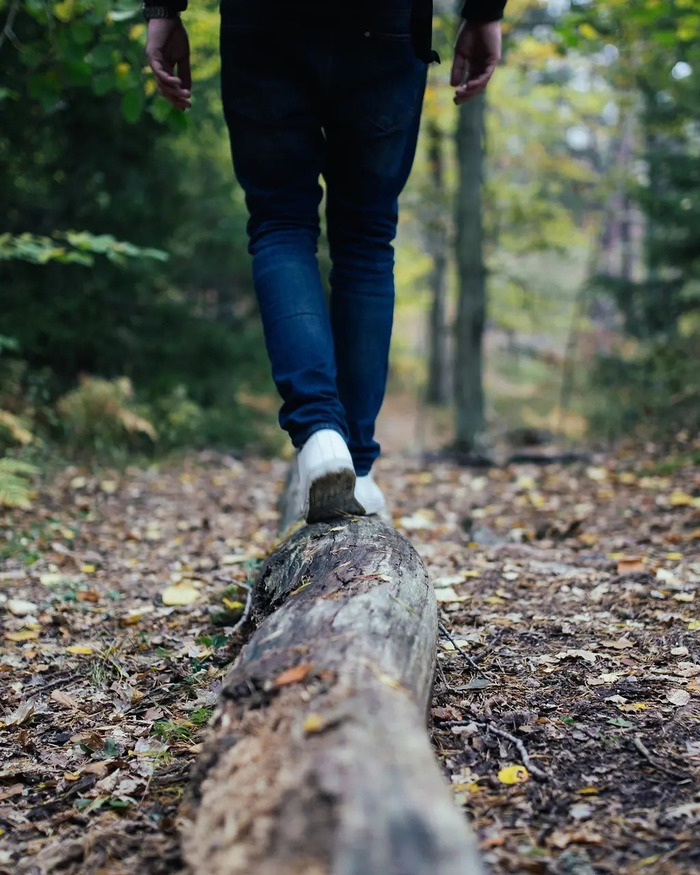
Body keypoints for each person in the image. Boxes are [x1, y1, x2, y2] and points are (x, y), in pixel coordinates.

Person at [144, 0, 506, 523]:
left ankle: (320, 437)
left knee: (281, 223)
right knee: (365, 239)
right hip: (384, 23)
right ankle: (356, 467)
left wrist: (162, 10)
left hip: (262, 22)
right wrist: (484, 13)